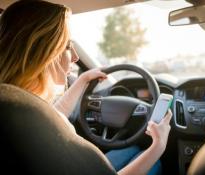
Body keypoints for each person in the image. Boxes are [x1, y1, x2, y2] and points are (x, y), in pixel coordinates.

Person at [0, 1, 172, 175]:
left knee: (132, 149)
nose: (75, 57)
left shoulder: (17, 108)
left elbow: (53, 117)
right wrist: (158, 145)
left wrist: (82, 80)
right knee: (154, 162)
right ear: (42, 51)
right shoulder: (31, 131)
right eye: (67, 46)